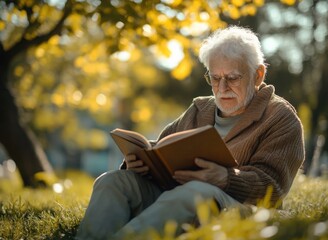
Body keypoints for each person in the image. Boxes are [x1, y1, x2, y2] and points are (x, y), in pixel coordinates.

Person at [76, 26, 305, 239]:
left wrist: (226, 178)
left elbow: (273, 189)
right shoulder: (200, 108)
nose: (222, 88)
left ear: (258, 75)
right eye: (215, 78)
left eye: (233, 78)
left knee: (196, 192)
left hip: (241, 209)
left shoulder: (281, 118)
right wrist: (140, 163)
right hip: (176, 196)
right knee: (112, 182)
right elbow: (162, 148)